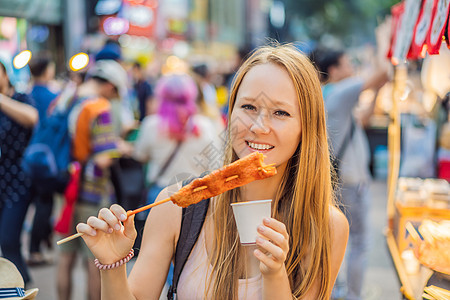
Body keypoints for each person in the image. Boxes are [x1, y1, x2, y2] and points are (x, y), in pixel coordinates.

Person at [76, 43, 349, 299]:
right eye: (248, 107)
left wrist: (275, 275)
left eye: (281, 113)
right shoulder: (175, 206)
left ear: (307, 126)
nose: (258, 126)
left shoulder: (326, 226)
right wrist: (112, 265)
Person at [308, 47, 388, 300]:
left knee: (333, 238)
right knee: (359, 242)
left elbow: (363, 119)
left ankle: (335, 289)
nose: (351, 68)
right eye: (346, 64)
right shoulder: (341, 92)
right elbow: (384, 73)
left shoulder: (324, 95)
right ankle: (352, 294)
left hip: (336, 179)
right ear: (333, 70)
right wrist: (384, 43)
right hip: (351, 181)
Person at [57, 59, 132, 300]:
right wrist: (120, 147)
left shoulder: (68, 98)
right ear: (110, 86)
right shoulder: (100, 108)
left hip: (67, 187)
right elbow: (103, 159)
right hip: (93, 191)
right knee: (96, 260)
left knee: (65, 257)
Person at [0, 58, 39, 285]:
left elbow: (32, 118)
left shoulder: (20, 98)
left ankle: (22, 289)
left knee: (9, 240)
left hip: (19, 182)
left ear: (6, 75)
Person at [27, 53, 59, 266]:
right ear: (48, 70)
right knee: (44, 203)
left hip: (28, 156)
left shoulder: (26, 94)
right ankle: (35, 250)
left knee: (38, 201)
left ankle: (38, 242)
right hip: (47, 158)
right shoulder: (52, 97)